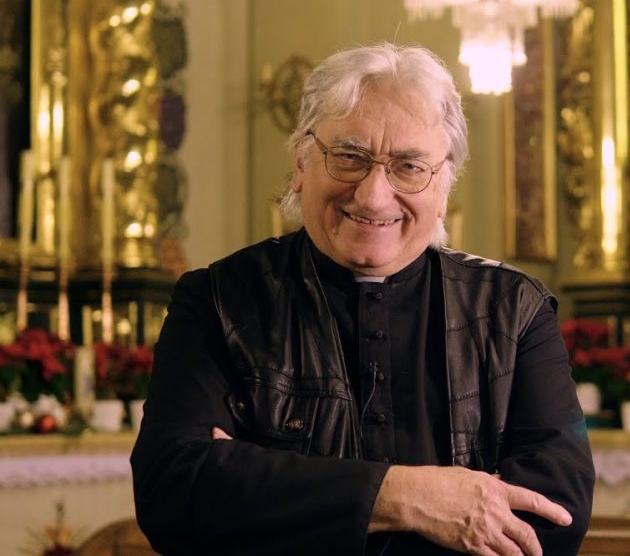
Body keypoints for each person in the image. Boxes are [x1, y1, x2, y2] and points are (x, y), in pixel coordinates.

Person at [131, 43, 595, 555]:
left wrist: (265, 491)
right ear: (300, 163)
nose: (374, 195)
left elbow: (556, 517)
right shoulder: (217, 301)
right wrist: (414, 498)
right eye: (349, 157)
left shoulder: (515, 309)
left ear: (444, 186)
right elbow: (172, 493)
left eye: (409, 166)